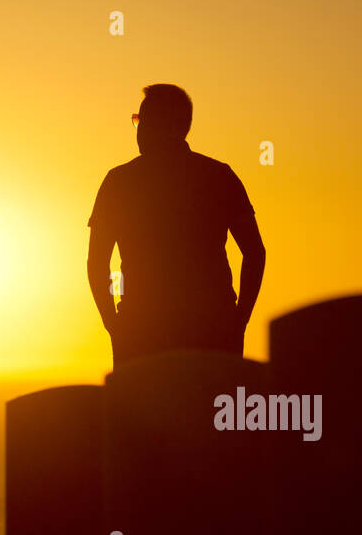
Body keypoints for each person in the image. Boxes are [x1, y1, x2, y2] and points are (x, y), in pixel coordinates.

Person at [87, 84, 266, 367]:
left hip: (144, 335)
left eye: (143, 120)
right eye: (138, 120)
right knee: (208, 411)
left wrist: (115, 326)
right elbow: (255, 253)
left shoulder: (119, 182)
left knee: (148, 412)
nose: (139, 129)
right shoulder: (219, 176)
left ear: (170, 125)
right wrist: (238, 320)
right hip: (211, 331)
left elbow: (97, 262)